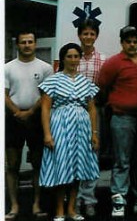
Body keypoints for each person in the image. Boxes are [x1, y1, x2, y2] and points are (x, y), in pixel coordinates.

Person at [39, 43, 100, 221]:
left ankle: (72, 209)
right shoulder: (53, 80)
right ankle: (59, 209)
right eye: (69, 56)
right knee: (62, 166)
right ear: (63, 58)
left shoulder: (85, 82)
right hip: (60, 126)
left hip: (82, 128)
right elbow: (45, 108)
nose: (73, 60)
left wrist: (94, 133)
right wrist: (47, 134)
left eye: (76, 56)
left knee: (77, 167)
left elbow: (92, 109)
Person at [98, 25, 137, 218]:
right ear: (122, 42)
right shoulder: (113, 63)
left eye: (135, 41)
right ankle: (118, 200)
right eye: (128, 41)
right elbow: (102, 88)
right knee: (122, 161)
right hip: (122, 118)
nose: (132, 44)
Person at [5, 30, 54, 220]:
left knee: (37, 163)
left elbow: (46, 95)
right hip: (12, 118)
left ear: (35, 44)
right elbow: (4, 94)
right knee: (13, 164)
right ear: (17, 45)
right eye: (23, 42)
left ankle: (36, 204)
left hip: (36, 119)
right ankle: (14, 206)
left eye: (30, 42)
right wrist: (17, 112)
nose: (27, 45)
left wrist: (31, 112)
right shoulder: (7, 68)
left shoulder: (45, 68)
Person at [75, 19, 108, 218]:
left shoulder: (103, 59)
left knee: (92, 154)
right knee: (73, 155)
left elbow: (105, 86)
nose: (88, 37)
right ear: (79, 35)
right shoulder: (71, 56)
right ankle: (74, 198)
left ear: (96, 36)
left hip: (95, 110)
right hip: (72, 112)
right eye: (85, 33)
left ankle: (89, 199)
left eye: (91, 34)